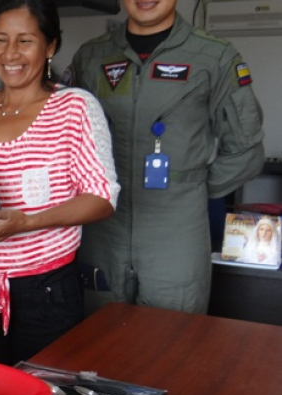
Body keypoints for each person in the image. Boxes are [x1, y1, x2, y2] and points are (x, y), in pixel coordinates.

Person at [66, 0, 266, 314]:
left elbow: (246, 152)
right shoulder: (91, 57)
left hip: (176, 234)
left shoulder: (214, 56)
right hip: (102, 230)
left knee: (173, 344)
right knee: (96, 342)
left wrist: (189, 187)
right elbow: (64, 143)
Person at [0, 0, 119, 366]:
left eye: (25, 40)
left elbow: (102, 197)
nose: (10, 54)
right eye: (0, 40)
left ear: (50, 46)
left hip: (45, 292)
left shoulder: (74, 107)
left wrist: (27, 222)